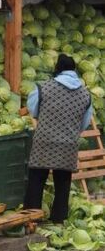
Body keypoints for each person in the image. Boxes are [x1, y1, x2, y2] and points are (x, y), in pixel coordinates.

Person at [24, 54, 93, 223]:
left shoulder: (43, 88)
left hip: (44, 141)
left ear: (58, 68)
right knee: (63, 183)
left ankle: (32, 217)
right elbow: (84, 123)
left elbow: (33, 109)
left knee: (37, 179)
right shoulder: (85, 95)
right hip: (68, 143)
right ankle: (58, 219)